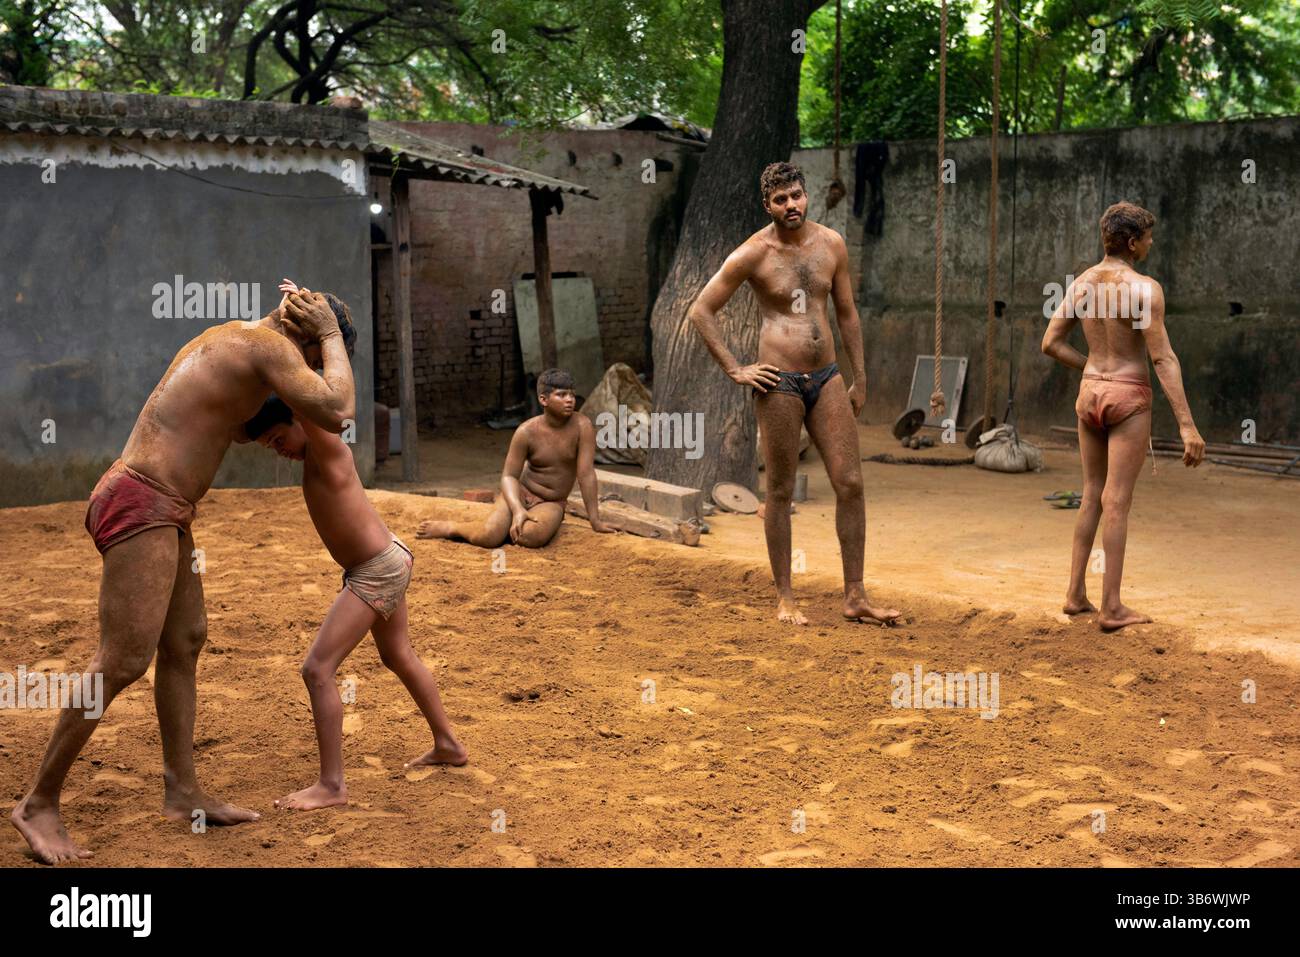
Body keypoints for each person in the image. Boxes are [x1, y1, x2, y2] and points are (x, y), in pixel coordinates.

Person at [12, 282, 356, 863]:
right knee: (121, 660)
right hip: (142, 499)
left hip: (165, 506)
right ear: (309, 341)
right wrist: (327, 332)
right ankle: (38, 803)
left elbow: (250, 424)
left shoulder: (240, 346)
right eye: (321, 355)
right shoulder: (267, 345)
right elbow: (338, 408)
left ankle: (182, 790)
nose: (318, 365)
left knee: (185, 639)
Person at [687, 161, 899, 626]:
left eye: (797, 195)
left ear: (807, 196)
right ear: (768, 206)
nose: (791, 205)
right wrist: (736, 369)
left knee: (851, 483)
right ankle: (785, 597)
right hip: (778, 382)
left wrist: (859, 377)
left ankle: (855, 595)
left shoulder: (831, 244)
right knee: (780, 491)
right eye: (781, 200)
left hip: (828, 379)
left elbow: (847, 313)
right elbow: (701, 310)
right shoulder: (753, 253)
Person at [247, 395, 466, 811]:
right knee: (399, 654)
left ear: (298, 419)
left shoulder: (326, 443)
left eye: (279, 439)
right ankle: (449, 743)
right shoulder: (312, 453)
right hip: (384, 560)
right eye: (271, 447)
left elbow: (314, 396)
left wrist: (299, 345)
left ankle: (331, 786)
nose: (280, 450)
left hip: (376, 570)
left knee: (317, 670)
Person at [1042, 202, 1205, 630]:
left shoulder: (1081, 285)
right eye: (1148, 238)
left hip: (1090, 394)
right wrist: (1187, 424)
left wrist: (1091, 368)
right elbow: (1163, 358)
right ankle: (1111, 607)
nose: (1151, 244)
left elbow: (1050, 344)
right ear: (1133, 243)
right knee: (1117, 501)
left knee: (1092, 493)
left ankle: (1076, 594)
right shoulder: (1144, 289)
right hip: (1128, 396)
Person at [416, 369, 613, 547]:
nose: (569, 399)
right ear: (544, 400)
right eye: (561, 395)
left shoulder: (582, 426)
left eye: (571, 393)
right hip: (521, 492)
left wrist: (594, 520)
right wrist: (517, 508)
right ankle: (452, 527)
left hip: (552, 502)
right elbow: (509, 476)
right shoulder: (526, 431)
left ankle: (511, 524)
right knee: (489, 536)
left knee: (529, 537)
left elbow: (586, 474)